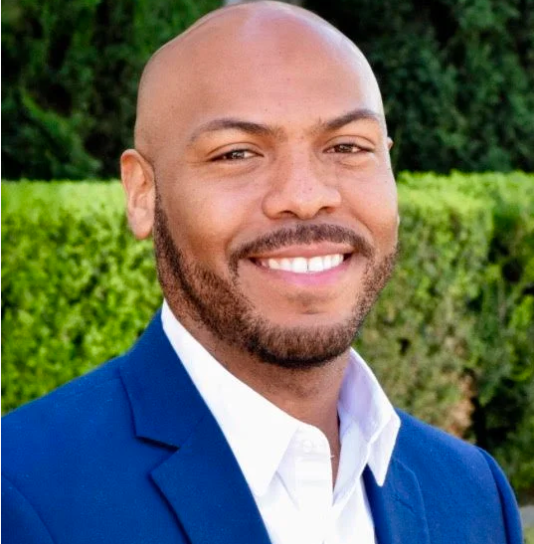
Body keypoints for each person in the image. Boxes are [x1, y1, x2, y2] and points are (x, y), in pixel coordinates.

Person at [2, 2, 523, 543]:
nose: (306, 196)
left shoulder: (472, 493)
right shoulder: (22, 495)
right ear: (142, 193)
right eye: (237, 154)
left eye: (348, 146)